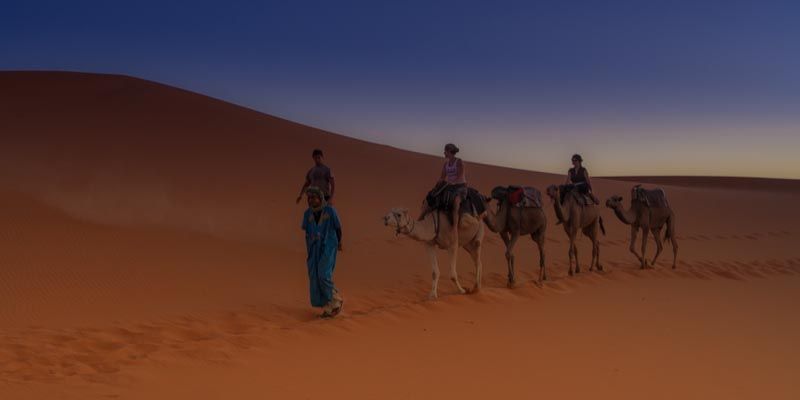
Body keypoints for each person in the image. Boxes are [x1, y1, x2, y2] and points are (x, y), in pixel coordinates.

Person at [301, 186, 344, 318]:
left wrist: (339, 242)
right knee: (314, 275)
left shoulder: (330, 211)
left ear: (320, 198)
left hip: (329, 244)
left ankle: (336, 299)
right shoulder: (307, 214)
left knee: (323, 273)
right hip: (314, 247)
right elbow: (307, 232)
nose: (310, 200)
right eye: (308, 198)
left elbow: (338, 227)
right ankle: (328, 306)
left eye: (313, 198)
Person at [419, 143, 468, 233]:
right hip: (449, 186)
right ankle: (422, 218)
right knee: (432, 196)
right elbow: (442, 176)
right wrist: (439, 183)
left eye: (445, 151)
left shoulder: (459, 162)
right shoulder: (446, 164)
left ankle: (454, 228)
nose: (444, 153)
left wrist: (453, 182)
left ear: (449, 151)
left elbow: (460, 175)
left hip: (460, 186)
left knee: (456, 203)